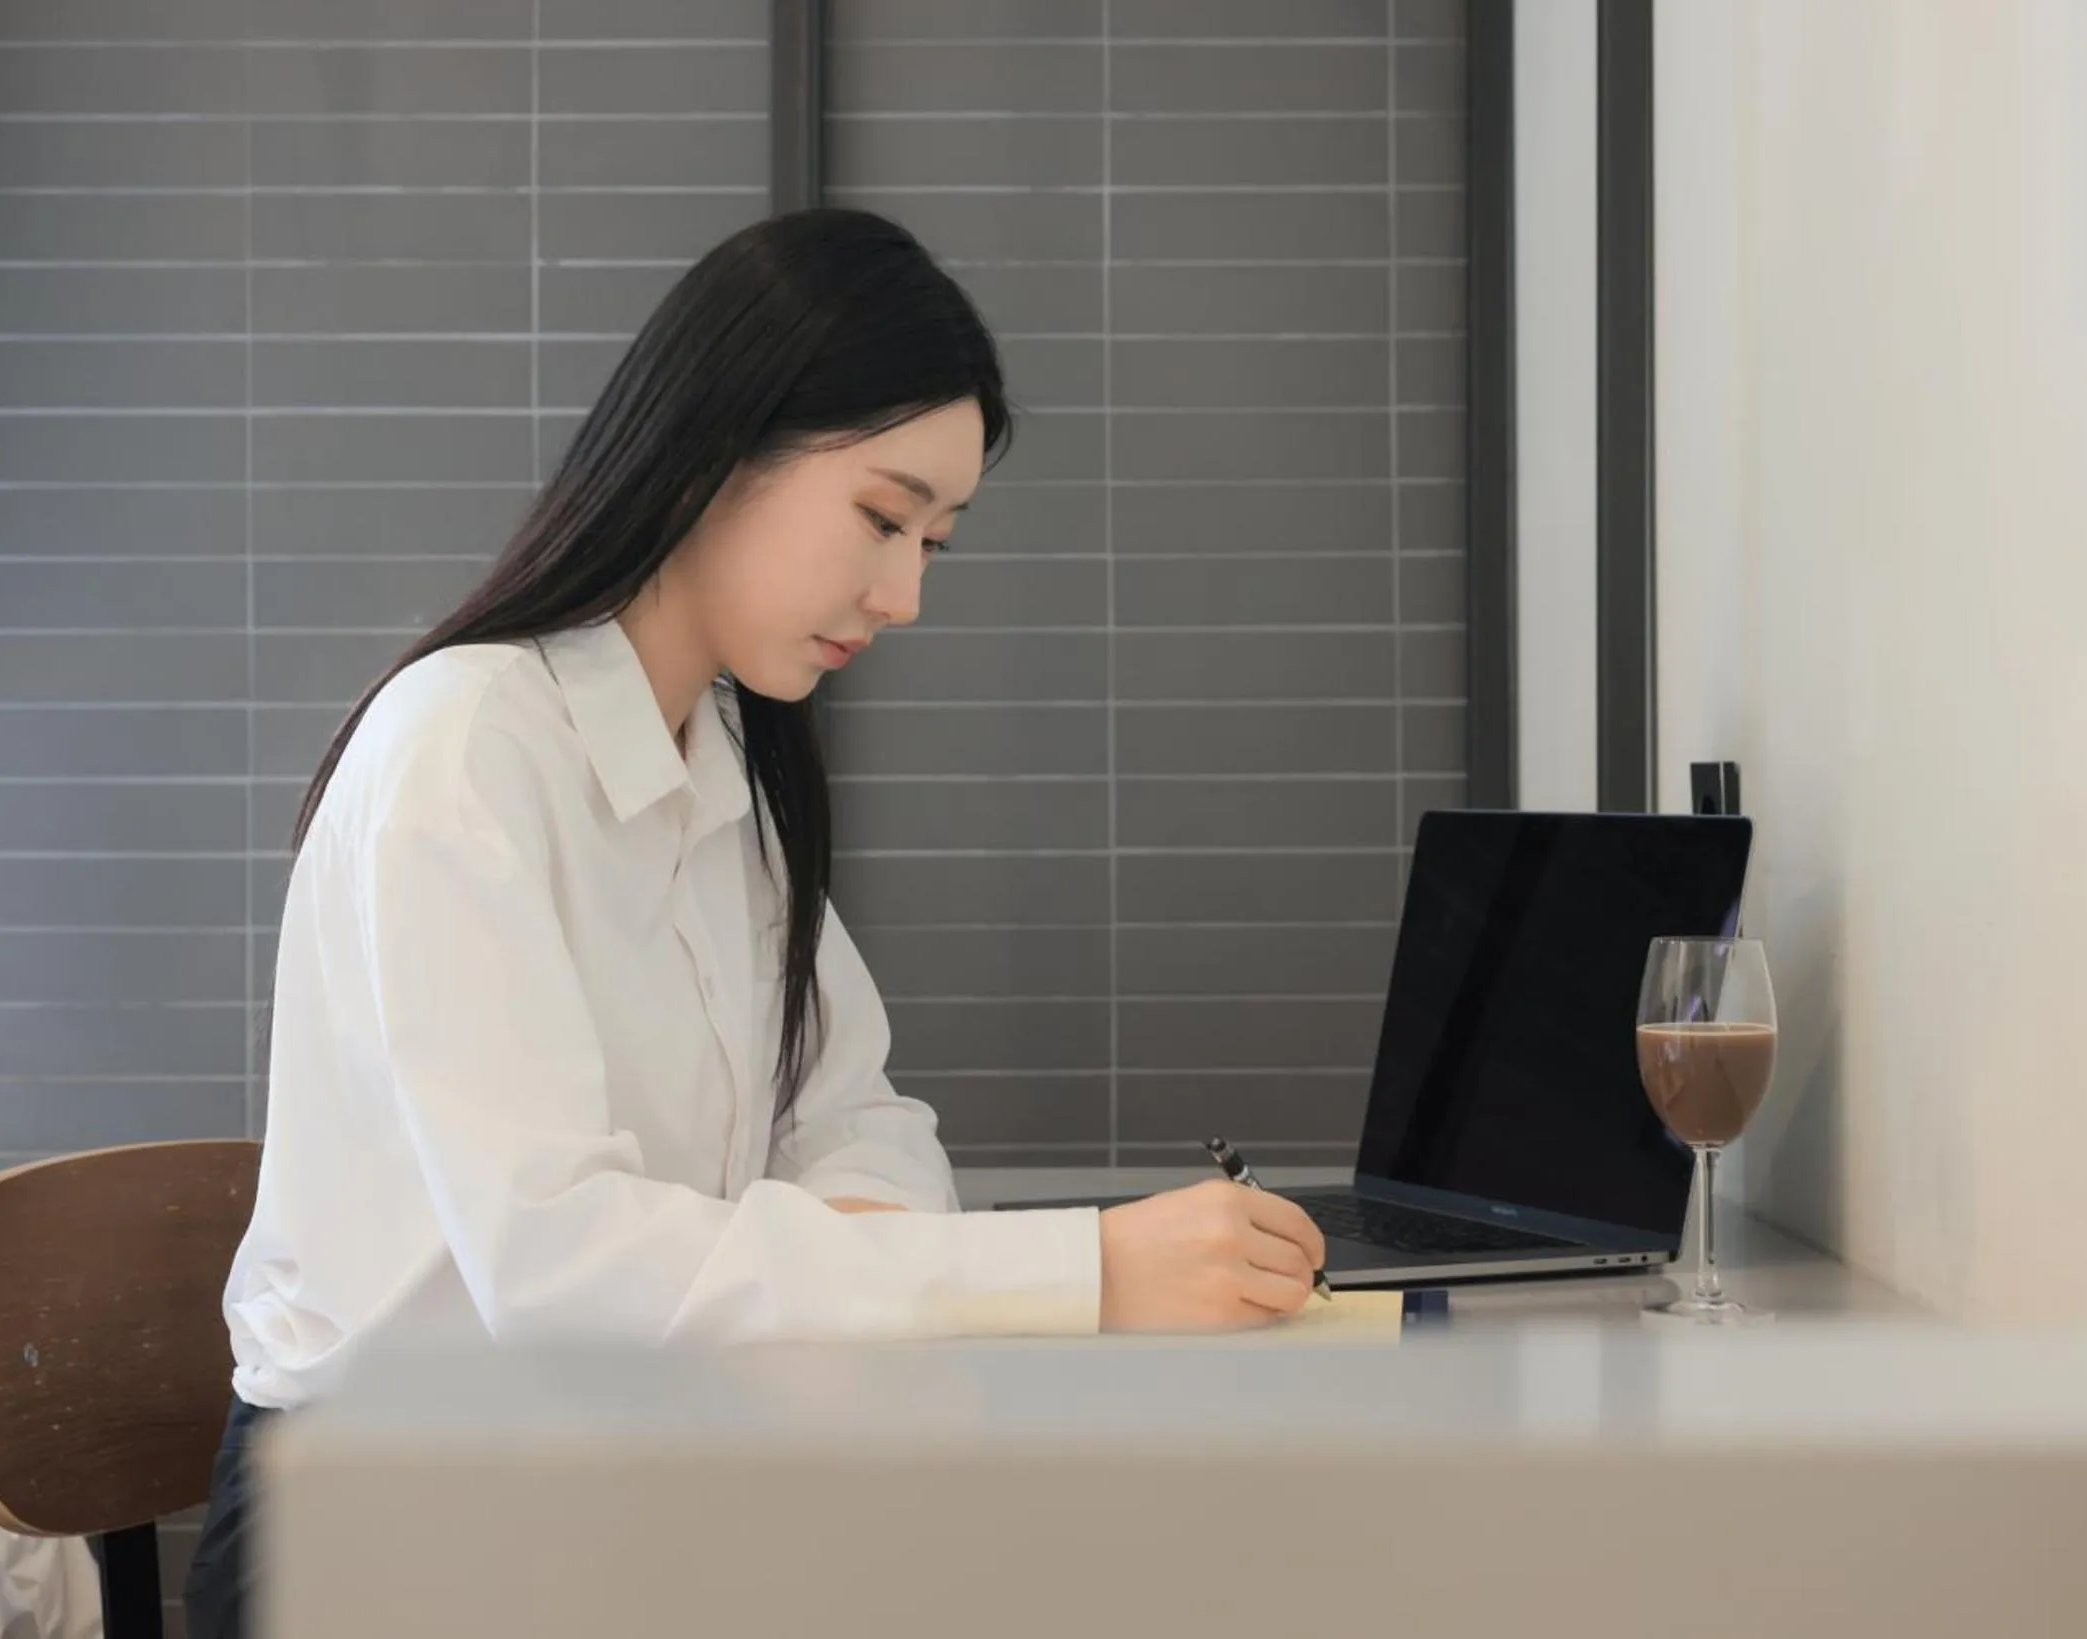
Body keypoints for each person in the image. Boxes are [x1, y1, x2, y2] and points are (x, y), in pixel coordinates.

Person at [183, 208, 1326, 1639]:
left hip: (619, 1480)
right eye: (880, 515)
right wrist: (1079, 1267)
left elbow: (855, 1114)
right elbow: (562, 1264)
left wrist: (852, 1278)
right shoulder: (467, 745)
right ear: (723, 446)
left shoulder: (725, 760)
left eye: (934, 541)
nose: (904, 592)